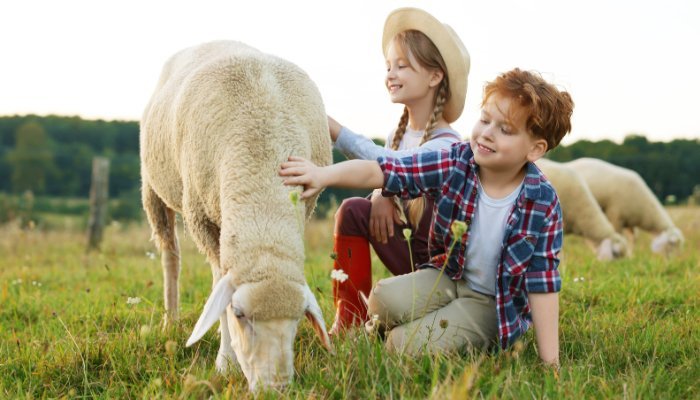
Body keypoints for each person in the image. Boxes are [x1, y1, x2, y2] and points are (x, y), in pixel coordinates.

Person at [280, 68, 574, 366]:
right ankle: (382, 327)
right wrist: (322, 174)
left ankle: (428, 335)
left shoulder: (543, 201)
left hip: (492, 303)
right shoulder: (457, 160)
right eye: (485, 120)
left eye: (505, 130)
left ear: (535, 149)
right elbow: (384, 169)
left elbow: (543, 282)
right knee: (382, 299)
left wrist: (550, 363)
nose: (487, 133)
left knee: (402, 345)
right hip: (449, 275)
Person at [325, 7, 470, 334]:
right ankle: (348, 317)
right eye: (389, 66)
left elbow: (392, 167)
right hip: (408, 254)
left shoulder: (447, 145)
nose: (390, 73)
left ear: (435, 77)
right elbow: (387, 167)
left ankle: (420, 307)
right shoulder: (398, 136)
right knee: (353, 210)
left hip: (441, 269)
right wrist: (380, 194)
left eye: (402, 66)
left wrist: (334, 129)